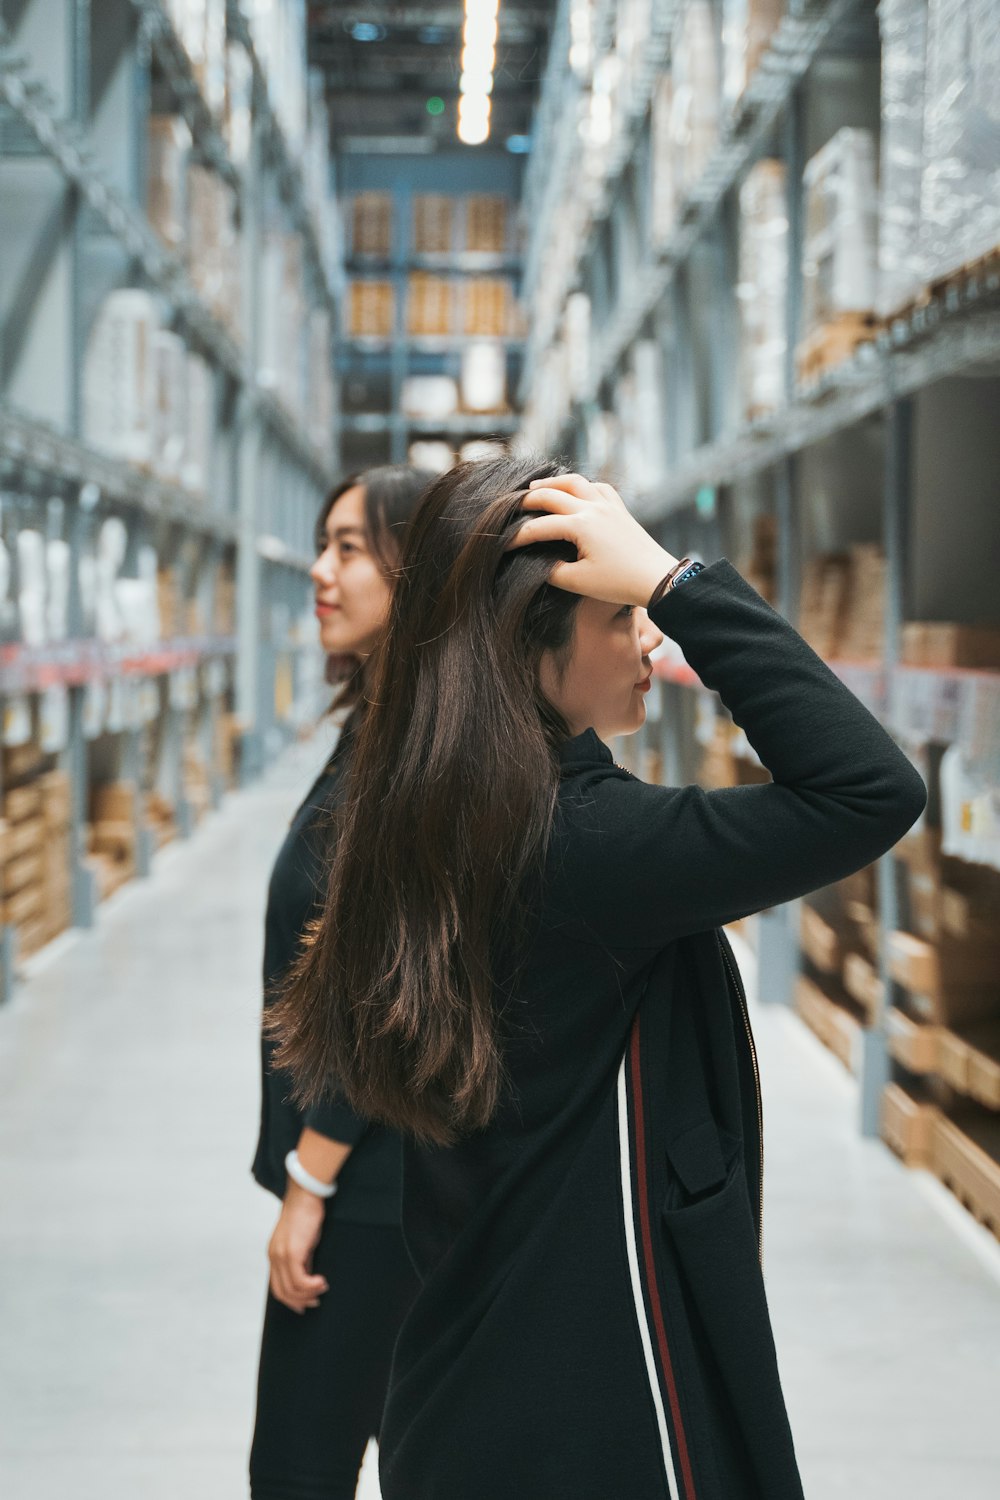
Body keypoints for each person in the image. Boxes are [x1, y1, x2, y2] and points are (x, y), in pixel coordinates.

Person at [269, 456, 927, 1500]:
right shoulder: (585, 848)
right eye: (618, 616)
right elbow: (869, 788)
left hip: (469, 1376)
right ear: (533, 638)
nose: (647, 639)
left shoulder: (425, 812)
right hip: (601, 1396)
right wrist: (679, 581)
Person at [249, 465, 432, 1500]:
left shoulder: (404, 754)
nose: (321, 571)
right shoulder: (373, 731)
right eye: (323, 545)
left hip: (368, 1187)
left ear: (414, 572)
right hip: (371, 1180)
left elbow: (385, 985)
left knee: (298, 1471)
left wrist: (310, 1183)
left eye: (350, 549)